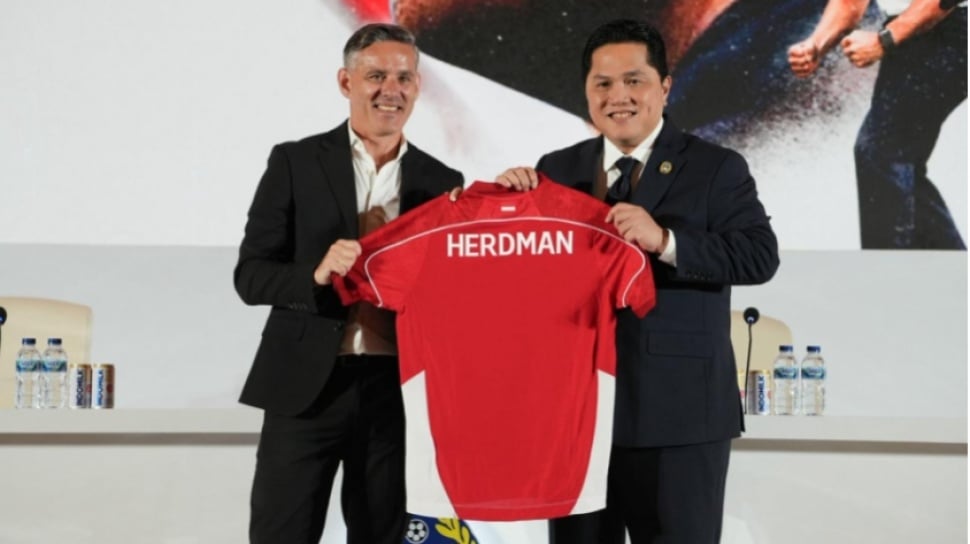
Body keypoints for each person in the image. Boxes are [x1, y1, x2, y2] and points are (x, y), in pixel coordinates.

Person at [497, 19, 779, 543]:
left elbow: (759, 257)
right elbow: (530, 278)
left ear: (664, 87)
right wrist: (508, 209)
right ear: (586, 91)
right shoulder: (556, 169)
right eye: (603, 83)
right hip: (579, 416)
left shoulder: (716, 167)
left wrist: (666, 241)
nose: (618, 96)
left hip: (682, 416)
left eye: (634, 80)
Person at [234, 23, 463, 544]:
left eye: (404, 77)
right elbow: (250, 276)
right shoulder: (294, 162)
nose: (391, 89)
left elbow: (451, 295)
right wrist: (316, 272)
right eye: (376, 75)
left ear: (417, 86)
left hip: (395, 393)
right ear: (346, 82)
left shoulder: (442, 182)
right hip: (304, 389)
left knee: (384, 534)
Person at [788, 0, 967, 249]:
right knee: (894, 162)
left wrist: (884, 40)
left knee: (881, 153)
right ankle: (950, 266)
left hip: (950, 29)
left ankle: (887, 269)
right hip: (914, 33)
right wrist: (816, 44)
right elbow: (850, 3)